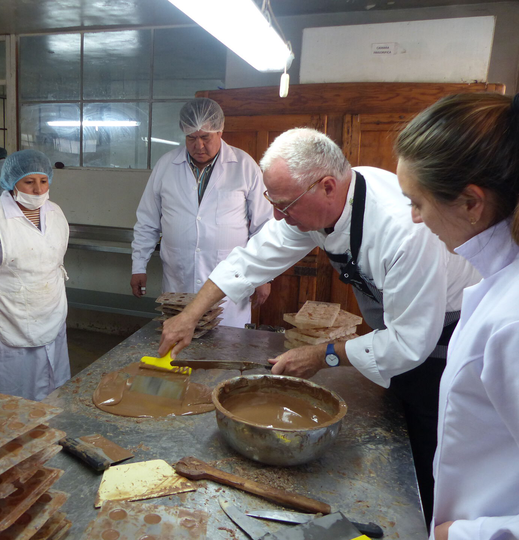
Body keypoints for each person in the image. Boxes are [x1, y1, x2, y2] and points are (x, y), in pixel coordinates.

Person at [159, 127, 480, 525]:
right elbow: (252, 258)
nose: (277, 215)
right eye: (271, 202)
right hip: (398, 333)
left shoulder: (404, 230)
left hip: (445, 348)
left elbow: (409, 343)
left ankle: (426, 524)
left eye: (285, 204)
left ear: (327, 186)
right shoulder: (322, 202)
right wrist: (190, 314)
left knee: (424, 455)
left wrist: (324, 354)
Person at [395, 92, 519, 540]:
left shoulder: (513, 321)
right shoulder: (496, 284)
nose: (412, 217)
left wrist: (470, 534)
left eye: (418, 201)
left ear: (471, 203)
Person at [131, 98, 273, 328]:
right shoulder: (166, 166)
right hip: (179, 283)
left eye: (205, 137)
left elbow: (264, 225)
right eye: (191, 138)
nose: (199, 146)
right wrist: (138, 266)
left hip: (229, 286)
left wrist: (264, 276)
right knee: (179, 348)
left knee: (225, 352)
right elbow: (147, 221)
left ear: (220, 131)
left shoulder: (245, 166)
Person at [0, 149, 71, 401]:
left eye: (43, 181)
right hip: (10, 314)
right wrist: (6, 290)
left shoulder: (55, 212)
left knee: (54, 384)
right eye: (29, 182)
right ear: (12, 181)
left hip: (50, 307)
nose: (38, 190)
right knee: (14, 392)